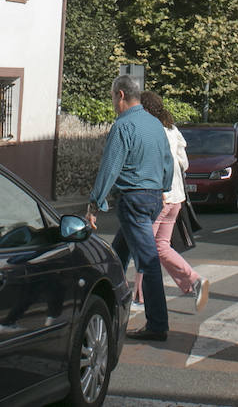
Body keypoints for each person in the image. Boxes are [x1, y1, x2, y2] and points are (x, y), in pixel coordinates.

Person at [86, 74, 173, 342]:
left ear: (121, 95)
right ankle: (111, 309)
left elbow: (110, 167)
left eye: (113, 97)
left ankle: (157, 325)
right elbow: (168, 162)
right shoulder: (155, 125)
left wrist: (94, 204)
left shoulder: (123, 126)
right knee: (118, 256)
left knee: (148, 261)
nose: (113, 103)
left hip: (133, 199)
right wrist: (164, 188)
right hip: (153, 198)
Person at [133, 91, 208, 310]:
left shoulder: (151, 130)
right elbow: (184, 164)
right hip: (177, 199)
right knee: (161, 246)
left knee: (144, 248)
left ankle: (140, 298)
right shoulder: (173, 130)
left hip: (159, 197)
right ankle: (194, 281)